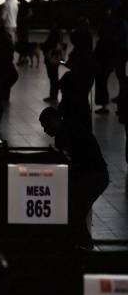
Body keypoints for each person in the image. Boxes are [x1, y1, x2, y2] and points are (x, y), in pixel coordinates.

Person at [39, 107, 109, 249]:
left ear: (55, 120)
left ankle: (83, 245)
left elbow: (71, 162)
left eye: (46, 126)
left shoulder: (65, 135)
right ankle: (80, 244)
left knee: (75, 211)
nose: (45, 131)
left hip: (93, 177)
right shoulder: (68, 130)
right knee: (76, 210)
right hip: (94, 175)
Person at [42, 21, 64, 103]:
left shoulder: (54, 34)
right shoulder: (58, 33)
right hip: (54, 58)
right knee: (54, 77)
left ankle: (53, 95)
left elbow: (49, 46)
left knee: (53, 77)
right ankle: (53, 95)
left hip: (51, 58)